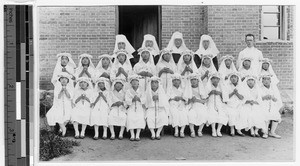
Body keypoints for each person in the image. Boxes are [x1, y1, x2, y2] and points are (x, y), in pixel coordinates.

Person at [46, 73, 74, 137]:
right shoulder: (57, 87)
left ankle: (61, 130)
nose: (63, 80)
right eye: (62, 79)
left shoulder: (70, 87)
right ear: (59, 80)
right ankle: (63, 128)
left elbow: (70, 97)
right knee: (53, 114)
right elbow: (58, 97)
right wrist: (61, 90)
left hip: (67, 104)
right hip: (58, 104)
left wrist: (66, 90)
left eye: (65, 79)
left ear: (68, 80)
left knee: (67, 116)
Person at [183, 73, 208, 138]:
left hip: (200, 104)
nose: (193, 81)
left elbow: (205, 100)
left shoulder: (201, 88)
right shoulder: (188, 89)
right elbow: (185, 102)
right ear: (190, 81)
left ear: (198, 80)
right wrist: (191, 100)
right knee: (191, 114)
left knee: (203, 114)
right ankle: (192, 131)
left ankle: (200, 130)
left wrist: (197, 100)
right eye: (192, 80)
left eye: (195, 79)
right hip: (191, 105)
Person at [259, 74, 283, 139]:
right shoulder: (260, 88)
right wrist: (264, 97)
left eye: (268, 79)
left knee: (276, 115)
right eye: (264, 79)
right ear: (262, 81)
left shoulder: (274, 88)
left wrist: (273, 98)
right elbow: (258, 98)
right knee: (265, 115)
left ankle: (272, 132)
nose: (266, 81)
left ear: (270, 80)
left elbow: (277, 99)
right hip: (263, 105)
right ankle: (265, 132)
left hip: (272, 105)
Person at [206, 72, 228, 137]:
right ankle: (213, 130)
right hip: (210, 102)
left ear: (219, 80)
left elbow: (225, 98)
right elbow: (204, 96)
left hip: (219, 103)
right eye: (213, 78)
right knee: (212, 113)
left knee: (222, 113)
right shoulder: (208, 86)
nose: (215, 80)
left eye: (217, 79)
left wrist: (220, 93)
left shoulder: (221, 87)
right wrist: (210, 93)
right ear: (211, 79)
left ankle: (218, 130)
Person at [224, 72, 245, 136]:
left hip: (238, 104)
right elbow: (225, 97)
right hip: (230, 104)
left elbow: (242, 98)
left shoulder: (241, 86)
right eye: (232, 77)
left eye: (235, 77)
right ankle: (232, 129)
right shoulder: (227, 86)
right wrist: (233, 92)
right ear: (230, 79)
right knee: (231, 114)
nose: (233, 79)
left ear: (238, 78)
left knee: (241, 113)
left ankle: (239, 130)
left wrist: (237, 93)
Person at [125, 75, 146, 141]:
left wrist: (139, 99)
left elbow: (144, 99)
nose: (134, 82)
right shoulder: (128, 91)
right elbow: (127, 100)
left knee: (140, 117)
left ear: (138, 82)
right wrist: (132, 100)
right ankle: (132, 134)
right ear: (130, 83)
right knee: (130, 117)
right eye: (133, 81)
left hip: (139, 106)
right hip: (131, 107)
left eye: (136, 81)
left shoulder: (142, 90)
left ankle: (137, 134)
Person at [168, 73, 188, 138]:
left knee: (183, 113)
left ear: (180, 81)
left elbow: (186, 97)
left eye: (177, 80)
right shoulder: (170, 89)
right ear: (172, 81)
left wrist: (181, 98)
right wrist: (174, 98)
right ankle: (176, 130)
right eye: (174, 80)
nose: (176, 81)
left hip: (181, 103)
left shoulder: (183, 88)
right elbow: (167, 97)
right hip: (173, 103)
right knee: (175, 113)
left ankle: (182, 131)